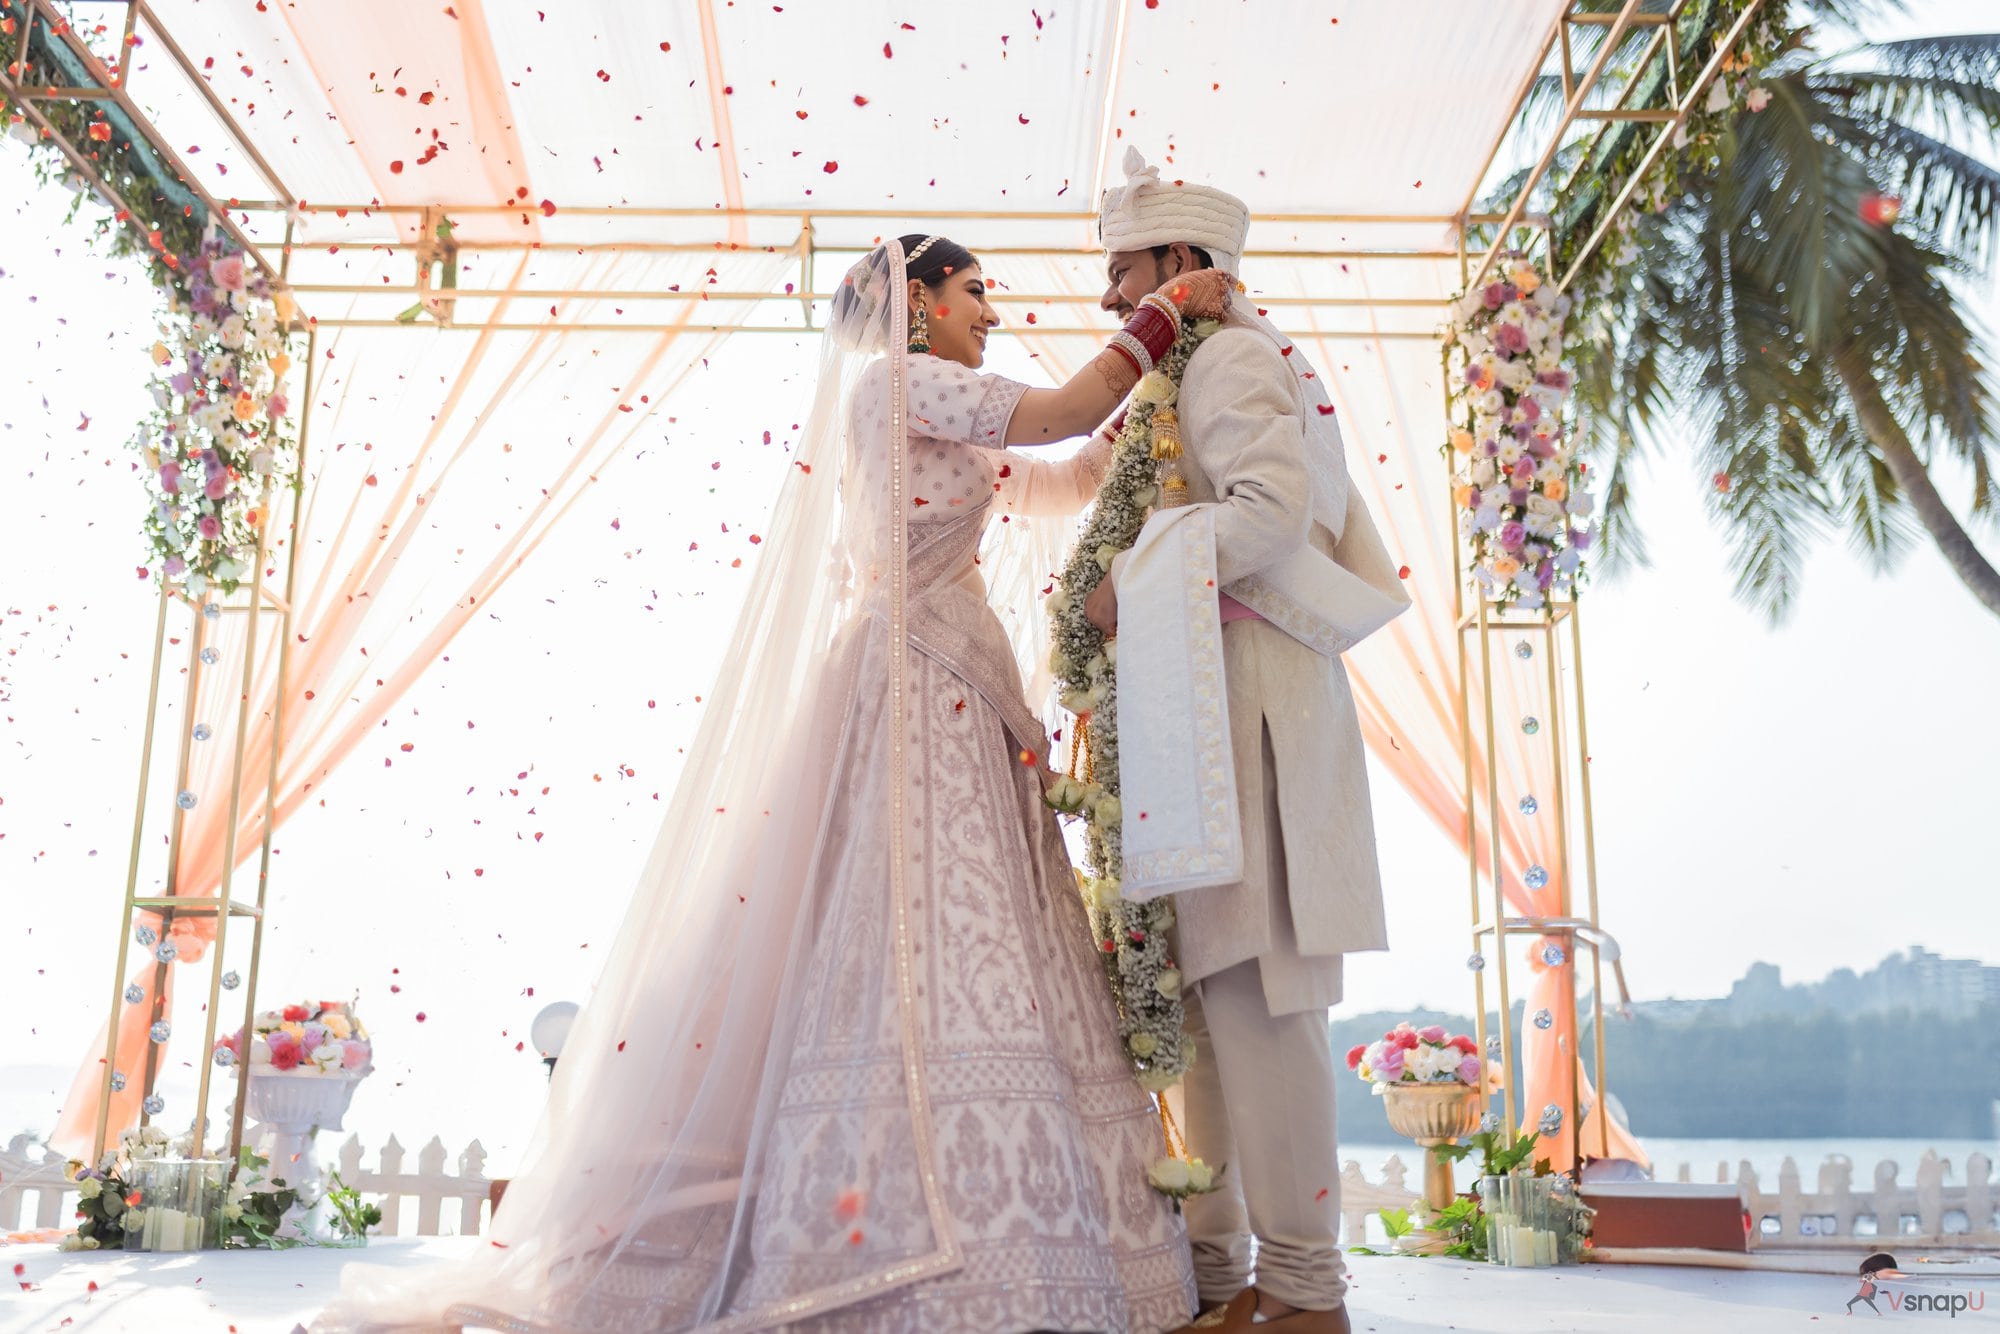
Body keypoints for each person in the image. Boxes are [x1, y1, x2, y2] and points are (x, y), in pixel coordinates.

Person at [312, 235, 1230, 1333]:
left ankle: (1018, 1225)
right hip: (912, 692)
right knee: (916, 924)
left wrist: (1159, 389)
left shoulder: (943, 409)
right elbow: (1054, 415)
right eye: (974, 291)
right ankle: (901, 1229)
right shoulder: (894, 383)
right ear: (917, 300)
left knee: (979, 933)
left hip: (957, 682)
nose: (990, 310)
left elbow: (1068, 473)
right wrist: (1168, 311)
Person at [1086, 149, 1411, 1334]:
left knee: (1263, 1018)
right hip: (1209, 726)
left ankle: (1305, 1293)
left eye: (1122, 271)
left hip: (1253, 732)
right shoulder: (1200, 367)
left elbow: (1271, 518)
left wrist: (1128, 577)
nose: (1110, 299)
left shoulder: (1226, 355)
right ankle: (1228, 1280)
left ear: (1181, 264)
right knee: (1216, 1018)